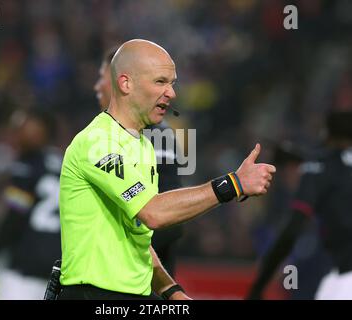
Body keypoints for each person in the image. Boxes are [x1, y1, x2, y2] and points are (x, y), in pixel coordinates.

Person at [58, 39, 276, 300]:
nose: (171, 93)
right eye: (160, 82)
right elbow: (153, 212)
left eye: (172, 83)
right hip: (93, 295)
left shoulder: (143, 146)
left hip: (129, 295)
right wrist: (232, 184)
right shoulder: (98, 142)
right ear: (126, 83)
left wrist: (170, 290)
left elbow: (138, 235)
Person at [94, 46, 183, 277]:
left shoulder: (155, 134)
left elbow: (170, 220)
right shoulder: (104, 134)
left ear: (123, 82)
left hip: (145, 281)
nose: (97, 86)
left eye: (101, 76)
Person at [247, 109, 352, 300]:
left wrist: (258, 287)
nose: (286, 175)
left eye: (291, 165)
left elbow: (291, 234)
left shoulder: (319, 175)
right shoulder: (276, 212)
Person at [0, 109, 63, 299]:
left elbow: (14, 216)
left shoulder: (26, 167)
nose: (19, 132)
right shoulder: (66, 162)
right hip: (59, 273)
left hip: (24, 271)